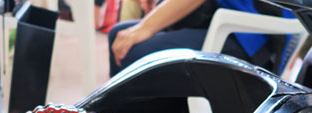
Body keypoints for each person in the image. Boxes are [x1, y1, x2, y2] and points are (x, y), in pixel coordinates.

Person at [109, 0, 293, 77]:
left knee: (134, 52)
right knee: (118, 33)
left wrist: (146, 27)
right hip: (219, 18)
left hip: (252, 36)